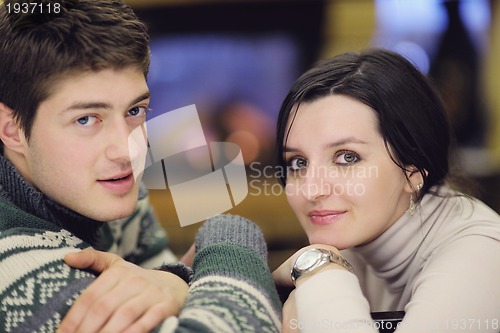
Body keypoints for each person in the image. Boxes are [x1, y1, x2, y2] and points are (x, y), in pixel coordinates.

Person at [0, 0, 281, 332]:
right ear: (12, 129)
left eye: (135, 111)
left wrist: (174, 282)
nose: (128, 150)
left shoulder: (107, 189)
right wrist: (233, 235)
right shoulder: (17, 268)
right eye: (87, 119)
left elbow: (163, 287)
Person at [272, 48, 500, 332]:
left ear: (413, 170)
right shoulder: (361, 236)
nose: (312, 189)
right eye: (298, 162)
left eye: (347, 157)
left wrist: (320, 269)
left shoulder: (481, 257)